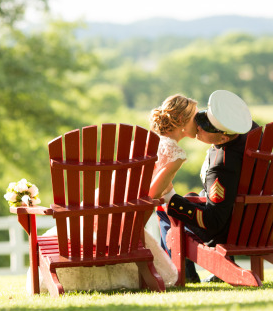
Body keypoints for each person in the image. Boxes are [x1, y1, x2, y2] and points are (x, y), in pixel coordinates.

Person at [29, 94, 198, 293]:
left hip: (99, 204)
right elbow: (150, 195)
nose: (199, 122)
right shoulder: (176, 155)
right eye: (195, 117)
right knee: (125, 234)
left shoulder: (142, 144)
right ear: (181, 122)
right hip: (121, 220)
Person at [157, 90, 259, 283]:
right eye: (202, 116)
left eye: (205, 125)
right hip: (254, 221)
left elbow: (213, 221)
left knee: (165, 210)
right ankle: (182, 270)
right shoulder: (249, 135)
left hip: (233, 230)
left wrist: (170, 198)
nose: (198, 124)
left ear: (222, 139)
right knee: (190, 196)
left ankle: (182, 272)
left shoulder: (221, 165)